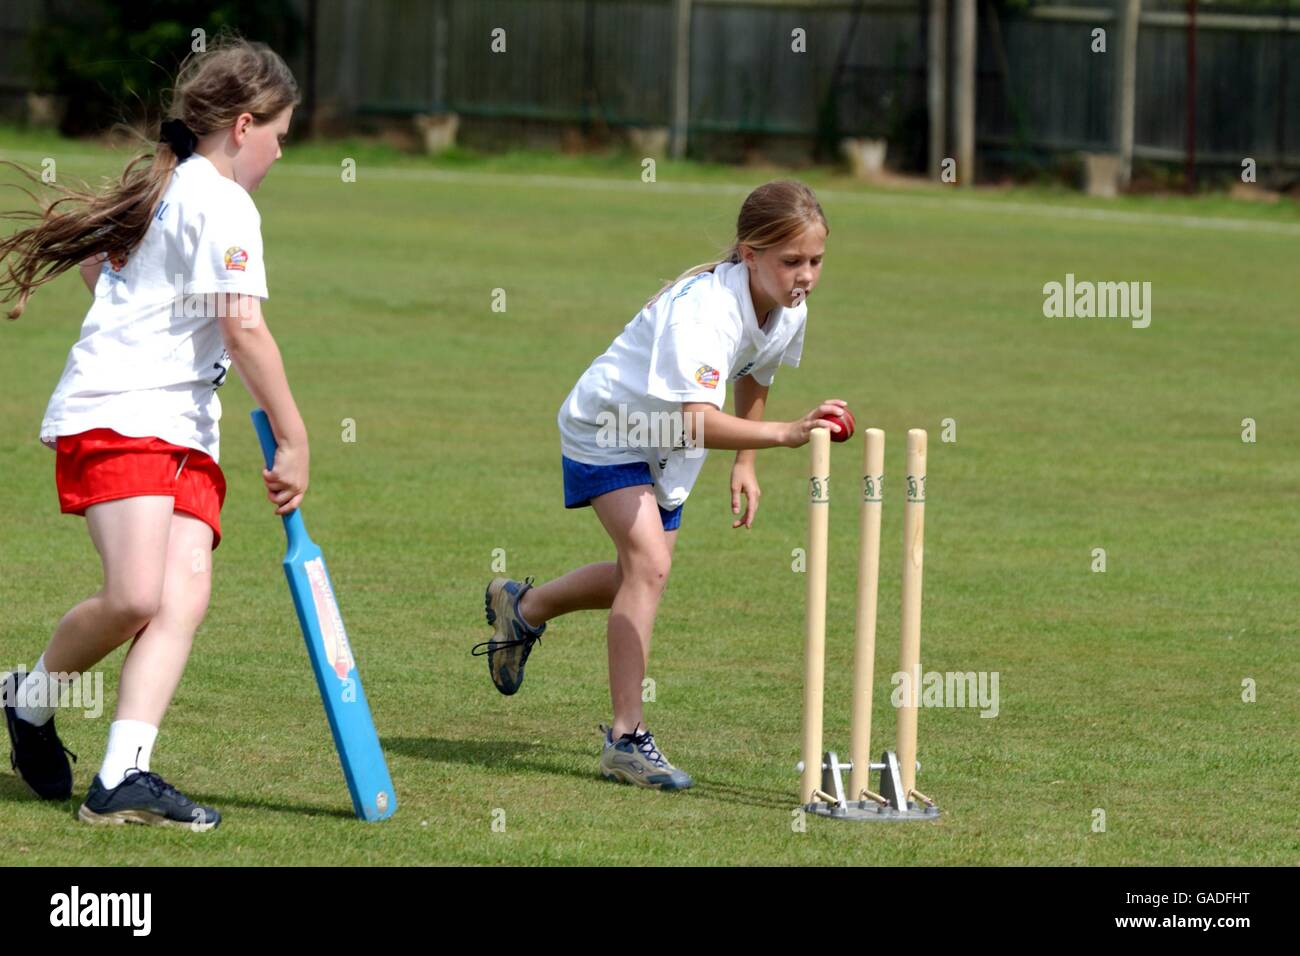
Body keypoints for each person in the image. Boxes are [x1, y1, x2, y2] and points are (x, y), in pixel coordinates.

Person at [0, 37, 309, 830]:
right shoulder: (220, 199)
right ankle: (28, 699)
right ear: (245, 124)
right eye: (279, 135)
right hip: (121, 414)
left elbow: (100, 268)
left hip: (184, 425)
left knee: (180, 598)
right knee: (136, 595)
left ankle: (121, 775)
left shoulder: (168, 186)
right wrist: (296, 435)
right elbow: (245, 330)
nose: (279, 151)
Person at [475, 180, 848, 791]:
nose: (804, 275)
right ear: (750, 253)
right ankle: (626, 740)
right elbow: (696, 416)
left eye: (815, 262)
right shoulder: (705, 310)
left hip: (669, 445)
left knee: (638, 575)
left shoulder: (787, 307)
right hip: (610, 426)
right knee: (647, 565)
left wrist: (745, 463)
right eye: (791, 261)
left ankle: (522, 607)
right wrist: (785, 436)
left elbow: (757, 372)